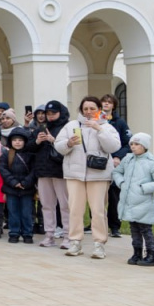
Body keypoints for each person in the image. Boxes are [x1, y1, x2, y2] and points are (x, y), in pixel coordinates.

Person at [54, 96, 121, 259]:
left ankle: (99, 244)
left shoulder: (107, 126)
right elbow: (58, 146)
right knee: (75, 209)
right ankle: (75, 241)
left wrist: (99, 130)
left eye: (92, 108)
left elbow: (113, 147)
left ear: (99, 109)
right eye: (85, 109)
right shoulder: (71, 126)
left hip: (98, 175)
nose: (89, 112)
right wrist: (68, 143)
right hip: (74, 174)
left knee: (98, 210)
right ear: (81, 110)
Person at [112, 133, 154, 266]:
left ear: (145, 146)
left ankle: (152, 255)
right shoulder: (128, 159)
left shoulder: (152, 162)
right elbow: (117, 172)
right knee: (133, 227)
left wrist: (143, 188)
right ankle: (137, 253)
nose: (133, 147)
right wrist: (122, 183)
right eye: (132, 144)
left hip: (143, 202)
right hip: (129, 201)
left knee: (145, 228)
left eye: (137, 144)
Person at [28, 100, 71, 248]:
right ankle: (49, 234)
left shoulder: (67, 128)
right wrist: (38, 141)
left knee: (65, 205)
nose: (50, 116)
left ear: (61, 113)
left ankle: (68, 236)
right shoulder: (41, 128)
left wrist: (54, 141)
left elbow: (70, 149)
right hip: (43, 171)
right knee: (46, 204)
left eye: (53, 113)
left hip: (60, 171)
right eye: (48, 113)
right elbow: (29, 148)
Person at [100, 93, 132, 239]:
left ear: (113, 105)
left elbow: (127, 144)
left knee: (114, 196)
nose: (106, 104)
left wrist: (118, 156)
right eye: (104, 102)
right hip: (99, 163)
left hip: (115, 164)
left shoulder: (120, 123)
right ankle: (96, 223)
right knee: (98, 196)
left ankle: (115, 226)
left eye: (109, 102)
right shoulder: (96, 121)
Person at [0, 127, 36, 244]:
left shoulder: (30, 154)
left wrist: (25, 182)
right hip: (11, 188)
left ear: (25, 141)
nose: (17, 142)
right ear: (11, 141)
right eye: (15, 140)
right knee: (13, 212)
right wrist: (13, 182)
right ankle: (14, 233)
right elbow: (3, 169)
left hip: (27, 188)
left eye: (20, 140)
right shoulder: (6, 154)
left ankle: (27, 233)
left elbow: (34, 170)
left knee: (27, 212)